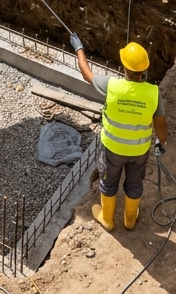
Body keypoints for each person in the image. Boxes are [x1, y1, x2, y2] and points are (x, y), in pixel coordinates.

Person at [70, 35, 167, 232]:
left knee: (108, 181)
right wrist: (161, 143)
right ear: (144, 69)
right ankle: (129, 220)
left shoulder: (111, 86)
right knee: (134, 182)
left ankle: (107, 219)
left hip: (112, 149)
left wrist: (79, 48)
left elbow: (86, 73)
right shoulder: (153, 93)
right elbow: (161, 125)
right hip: (139, 150)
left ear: (124, 66)